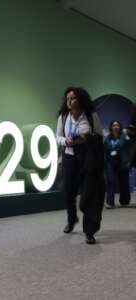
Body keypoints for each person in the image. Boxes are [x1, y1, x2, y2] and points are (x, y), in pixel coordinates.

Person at [56, 87, 104, 244]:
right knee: (68, 192)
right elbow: (58, 137)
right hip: (69, 157)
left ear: (81, 99)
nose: (69, 101)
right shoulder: (63, 117)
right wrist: (66, 141)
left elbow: (99, 135)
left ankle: (89, 231)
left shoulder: (91, 115)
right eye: (67, 98)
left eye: (73, 98)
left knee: (89, 194)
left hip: (87, 158)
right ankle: (71, 220)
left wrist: (86, 138)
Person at [104, 120, 131, 208]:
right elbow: (107, 146)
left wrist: (113, 149)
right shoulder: (108, 137)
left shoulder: (124, 136)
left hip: (122, 162)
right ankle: (110, 203)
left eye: (117, 125)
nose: (116, 127)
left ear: (120, 127)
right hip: (111, 162)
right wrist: (113, 149)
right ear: (111, 127)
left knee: (124, 182)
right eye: (114, 125)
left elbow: (120, 144)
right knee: (110, 181)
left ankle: (124, 201)